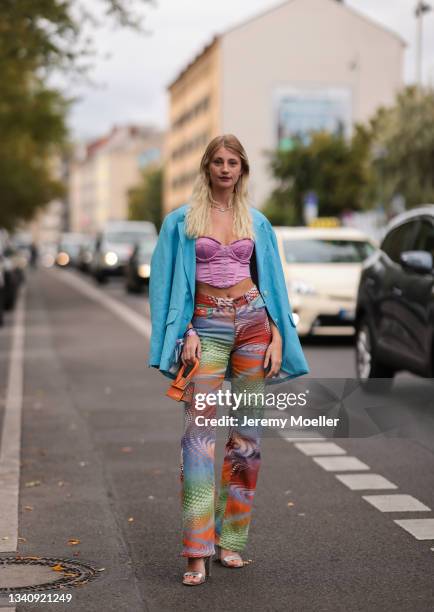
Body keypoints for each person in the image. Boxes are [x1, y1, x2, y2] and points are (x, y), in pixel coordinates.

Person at [148, 134, 309, 586]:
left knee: (246, 439)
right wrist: (185, 334)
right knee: (198, 439)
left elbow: (272, 285)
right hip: (207, 330)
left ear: (242, 169)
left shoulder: (257, 222)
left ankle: (231, 542)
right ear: (206, 167)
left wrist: (278, 333)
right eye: (217, 161)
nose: (224, 168)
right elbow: (163, 290)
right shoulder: (180, 222)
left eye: (233, 162)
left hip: (255, 327)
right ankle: (196, 550)